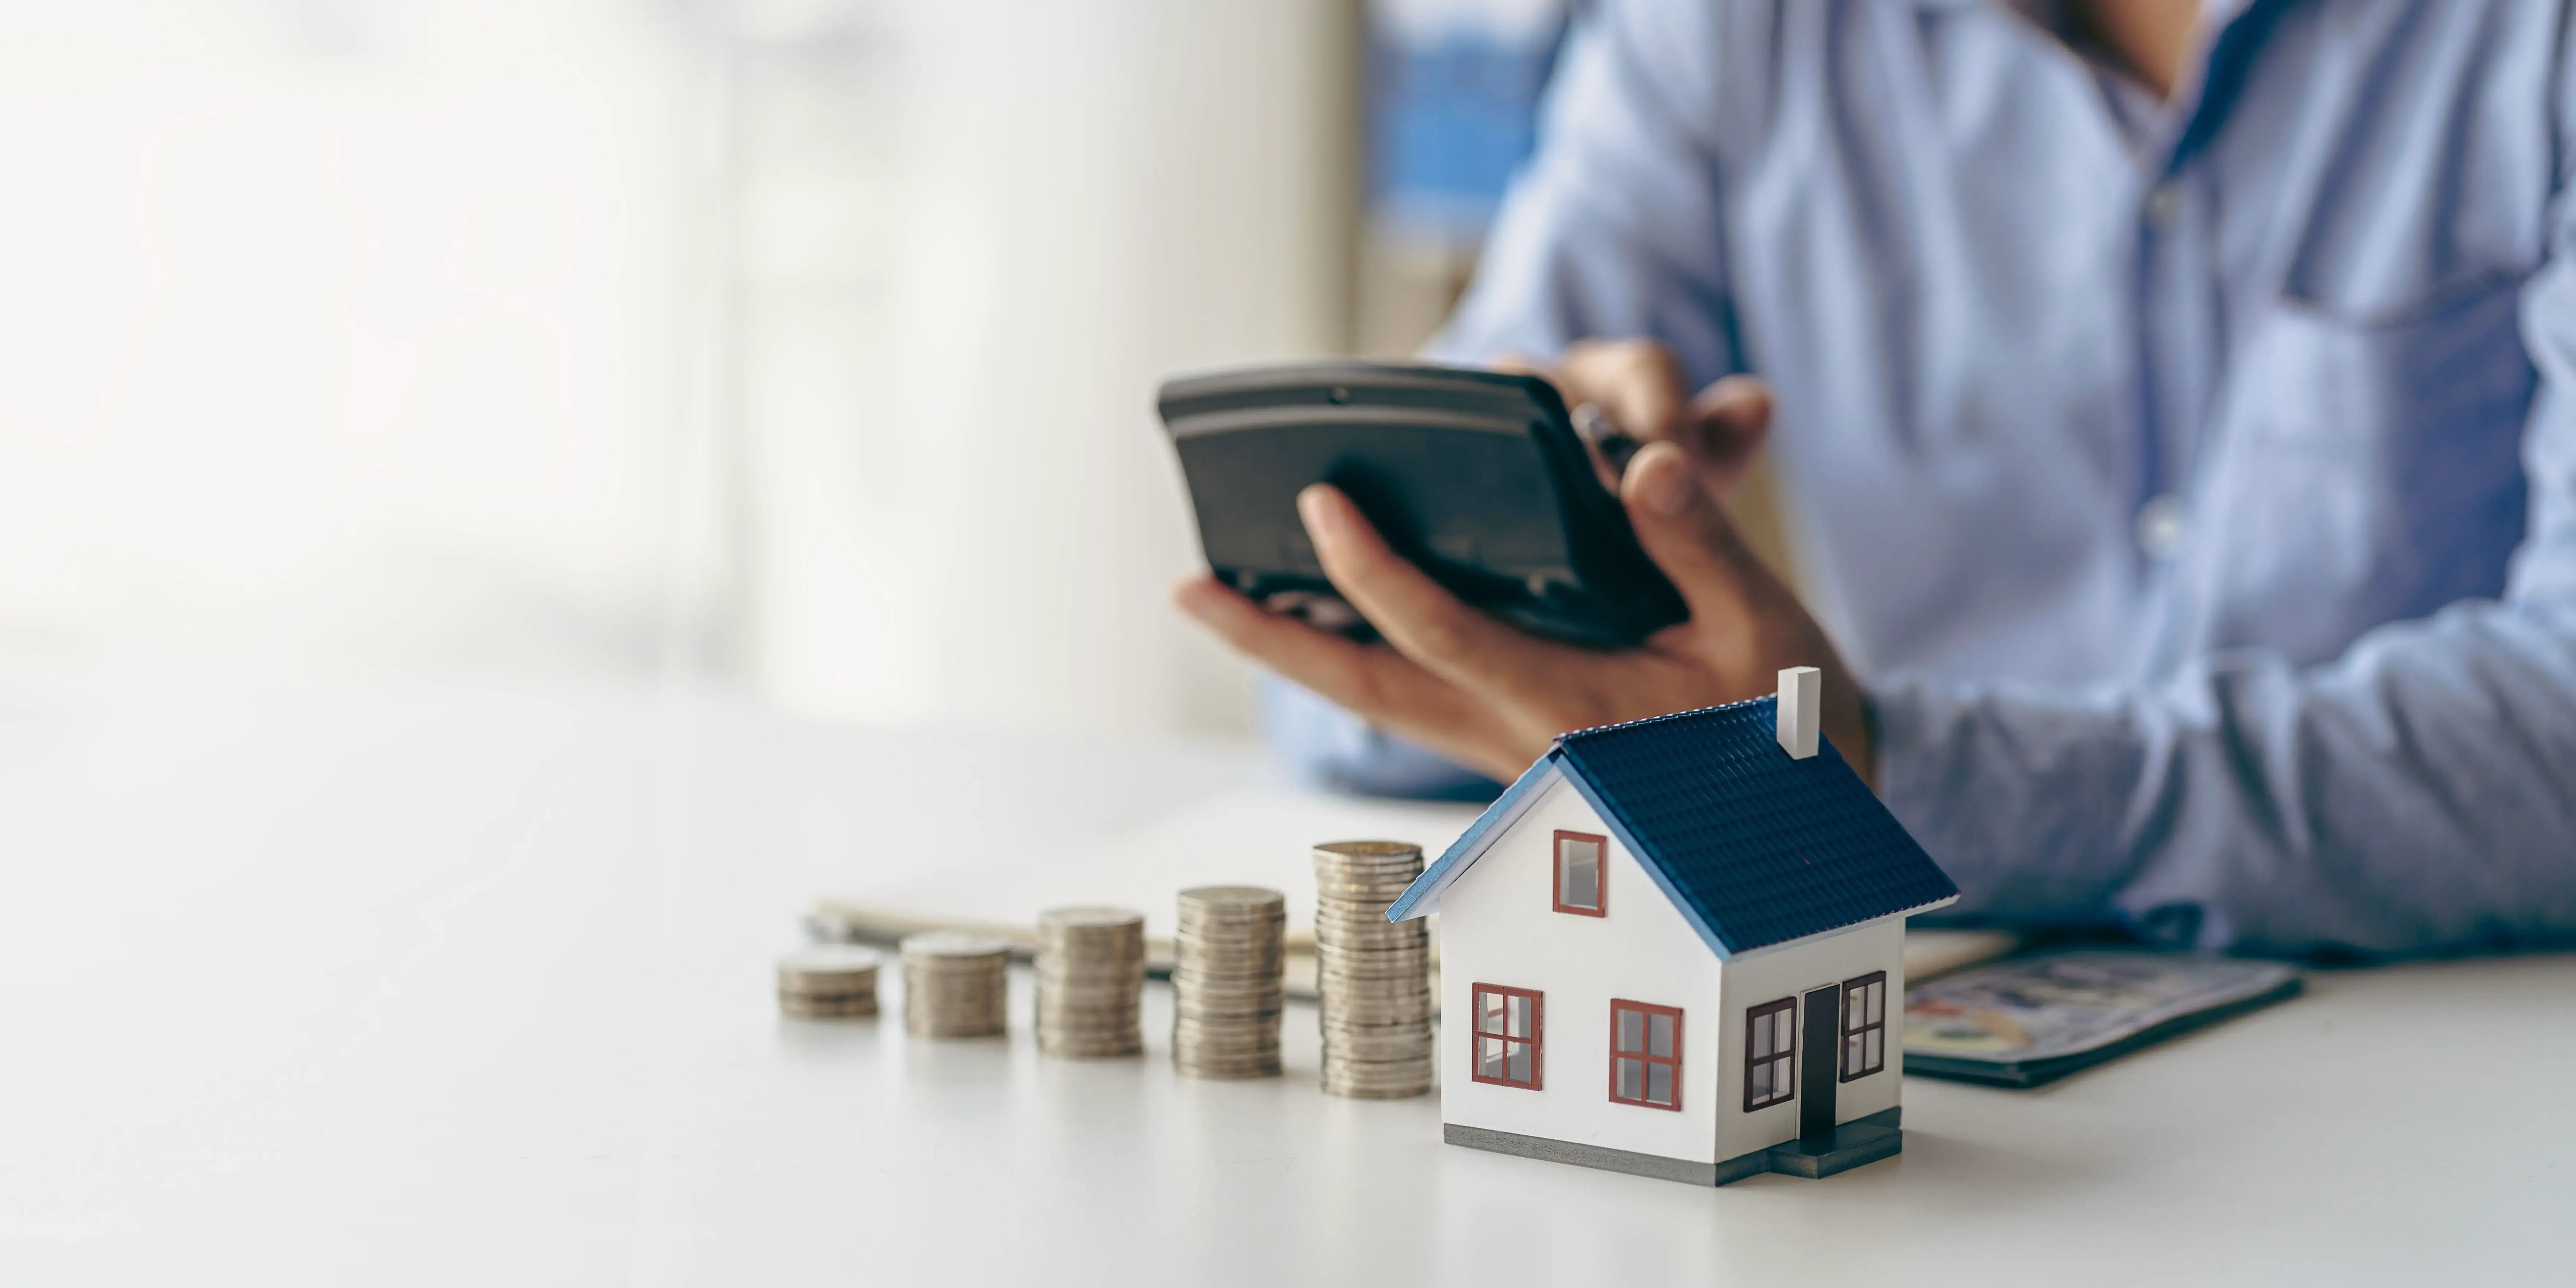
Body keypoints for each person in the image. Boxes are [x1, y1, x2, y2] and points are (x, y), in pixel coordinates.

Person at [1175, 0, 2576, 959]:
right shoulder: (1726, 31)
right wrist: (1522, 573)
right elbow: (1345, 698)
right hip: (1917, 1059)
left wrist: (1887, 783)